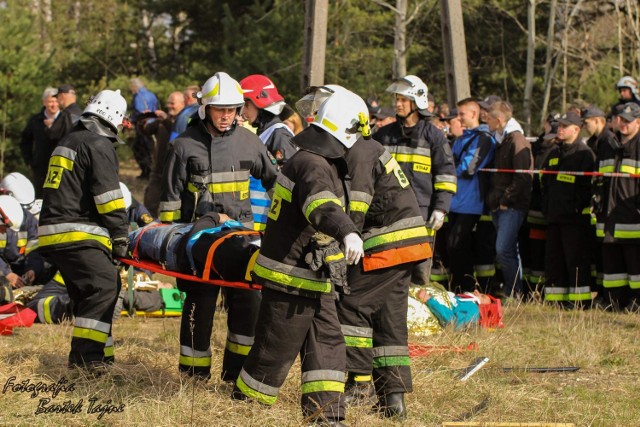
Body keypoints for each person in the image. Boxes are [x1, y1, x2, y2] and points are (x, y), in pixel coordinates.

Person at [232, 86, 368, 427]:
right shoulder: (312, 164)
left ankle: (327, 417)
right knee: (274, 351)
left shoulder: (313, 159)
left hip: (312, 275)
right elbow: (320, 205)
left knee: (328, 345)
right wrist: (347, 231)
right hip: (290, 278)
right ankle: (244, 407)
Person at [160, 71, 278, 383]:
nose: (225, 116)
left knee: (247, 306)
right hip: (199, 241)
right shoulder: (183, 146)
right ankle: (193, 376)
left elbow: (275, 183)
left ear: (240, 109)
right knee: (199, 306)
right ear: (205, 108)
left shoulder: (250, 142)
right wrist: (170, 249)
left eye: (231, 110)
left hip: (242, 240)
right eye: (219, 110)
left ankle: (234, 374)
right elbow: (170, 201)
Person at [338, 130, 432, 418]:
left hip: (386, 244)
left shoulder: (359, 153)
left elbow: (357, 205)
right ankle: (393, 400)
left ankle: (359, 383)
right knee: (388, 320)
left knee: (351, 305)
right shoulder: (369, 147)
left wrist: (340, 236)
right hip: (407, 245)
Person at [38, 89, 129, 372]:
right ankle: (86, 362)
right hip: (76, 231)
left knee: (88, 291)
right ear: (115, 119)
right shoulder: (98, 144)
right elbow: (108, 199)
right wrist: (121, 240)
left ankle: (102, 356)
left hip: (54, 231)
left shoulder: (70, 139)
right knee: (104, 286)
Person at [374, 75, 457, 285]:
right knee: (388, 265)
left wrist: (441, 208)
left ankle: (418, 313)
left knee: (419, 268)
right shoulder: (383, 135)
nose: (398, 104)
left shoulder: (433, 136)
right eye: (397, 99)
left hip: (421, 211)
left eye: (403, 99)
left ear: (417, 102)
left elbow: (445, 175)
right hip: (388, 210)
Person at [540, 111, 595, 306]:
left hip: (574, 219)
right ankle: (556, 300)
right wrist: (547, 207)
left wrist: (576, 208)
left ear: (576, 129)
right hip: (554, 216)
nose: (560, 129)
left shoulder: (584, 154)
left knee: (576, 260)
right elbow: (544, 182)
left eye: (564, 126)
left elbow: (587, 186)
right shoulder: (554, 153)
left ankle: (579, 302)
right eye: (559, 125)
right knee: (554, 260)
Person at [594, 103, 640, 311]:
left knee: (635, 268)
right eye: (620, 119)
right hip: (609, 218)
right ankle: (614, 302)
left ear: (638, 122)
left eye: (628, 121)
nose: (622, 124)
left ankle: (636, 303)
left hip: (632, 220)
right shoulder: (610, 145)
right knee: (612, 269)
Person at [446, 98, 496, 293]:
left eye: (461, 114)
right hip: (455, 202)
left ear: (473, 114)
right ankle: (459, 288)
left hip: (472, 203)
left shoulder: (484, 139)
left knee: (458, 245)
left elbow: (468, 168)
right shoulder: (461, 139)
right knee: (455, 248)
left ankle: (467, 287)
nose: (459, 118)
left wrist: (450, 167)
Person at [484, 101, 533, 299]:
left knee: (503, 249)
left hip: (511, 206)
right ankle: (515, 291)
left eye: (488, 118)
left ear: (499, 120)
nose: (485, 121)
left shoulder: (517, 140)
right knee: (509, 250)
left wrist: (506, 200)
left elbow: (522, 176)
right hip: (499, 204)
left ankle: (515, 292)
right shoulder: (502, 139)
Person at [240, 74, 298, 230]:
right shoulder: (265, 134)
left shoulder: (279, 135)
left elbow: (290, 181)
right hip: (259, 222)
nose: (242, 111)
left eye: (246, 105)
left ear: (260, 103)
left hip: (270, 223)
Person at [583, 105, 617, 297]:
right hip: (598, 204)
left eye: (587, 123)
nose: (585, 126)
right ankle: (601, 289)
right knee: (598, 248)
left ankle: (605, 292)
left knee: (606, 249)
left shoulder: (608, 141)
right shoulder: (595, 142)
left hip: (606, 204)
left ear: (598, 120)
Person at [143, 91, 186, 216]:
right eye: (168, 103)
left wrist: (166, 119)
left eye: (172, 103)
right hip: (157, 170)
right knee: (149, 203)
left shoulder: (184, 121)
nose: (169, 106)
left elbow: (174, 129)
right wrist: (144, 121)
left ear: (183, 104)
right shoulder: (163, 120)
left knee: (170, 208)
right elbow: (147, 130)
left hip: (174, 172)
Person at [19, 87, 60, 196]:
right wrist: (29, 161)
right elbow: (25, 141)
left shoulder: (66, 119)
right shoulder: (35, 120)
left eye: (56, 101)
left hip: (60, 167)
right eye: (51, 101)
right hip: (40, 169)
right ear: (44, 102)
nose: (54, 104)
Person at [0, 195, 42, 289]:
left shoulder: (29, 221)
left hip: (21, 265)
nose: (4, 231)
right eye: (4, 227)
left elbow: (34, 249)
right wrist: (6, 273)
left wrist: (32, 269)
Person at [129, 77, 160, 179]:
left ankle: (147, 172)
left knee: (141, 148)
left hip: (143, 126)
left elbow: (140, 112)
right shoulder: (151, 95)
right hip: (154, 124)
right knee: (151, 149)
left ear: (134, 87)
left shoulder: (138, 96)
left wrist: (131, 119)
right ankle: (150, 171)